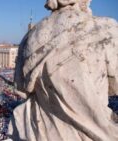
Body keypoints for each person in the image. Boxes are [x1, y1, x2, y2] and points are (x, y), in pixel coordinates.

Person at [8, 0, 118, 141]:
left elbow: (21, 89)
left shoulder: (29, 38)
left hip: (43, 133)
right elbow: (114, 86)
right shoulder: (106, 29)